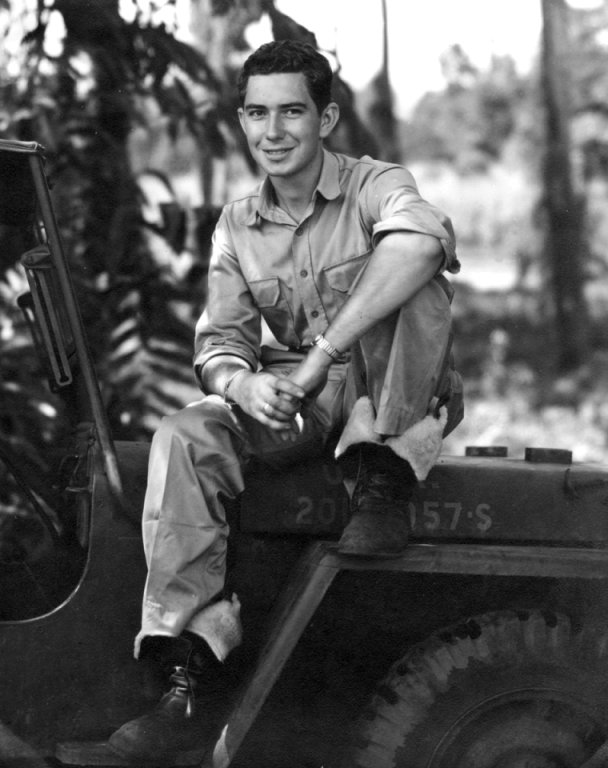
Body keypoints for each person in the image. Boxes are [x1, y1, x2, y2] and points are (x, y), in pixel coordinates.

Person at [108, 39, 463, 762]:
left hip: (380, 387)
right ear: (241, 122)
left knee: (411, 271)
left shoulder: (374, 184)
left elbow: (425, 244)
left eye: (292, 112)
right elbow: (220, 344)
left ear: (326, 117)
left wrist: (321, 358)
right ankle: (190, 671)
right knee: (183, 435)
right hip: (296, 396)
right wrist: (247, 385)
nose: (273, 132)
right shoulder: (238, 224)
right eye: (257, 114)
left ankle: (383, 478)